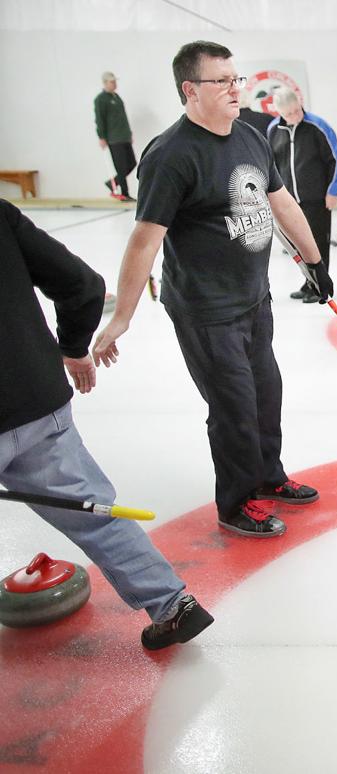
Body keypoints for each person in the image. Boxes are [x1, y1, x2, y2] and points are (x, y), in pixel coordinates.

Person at [92, 40, 332, 540]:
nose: (233, 88)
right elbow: (143, 243)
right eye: (220, 81)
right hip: (206, 310)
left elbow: (283, 203)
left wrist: (315, 261)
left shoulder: (248, 135)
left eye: (235, 78)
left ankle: (268, 476)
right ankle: (237, 502)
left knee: (267, 394)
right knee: (233, 410)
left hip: (253, 297)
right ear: (189, 89)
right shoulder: (171, 155)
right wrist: (122, 318)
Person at [0, 198, 212, 650]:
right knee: (92, 510)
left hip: (31, 401)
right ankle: (173, 604)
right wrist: (73, 347)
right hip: (37, 398)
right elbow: (83, 285)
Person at [267, 88, 337, 303]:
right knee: (298, 245)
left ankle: (320, 288)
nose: (294, 116)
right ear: (279, 112)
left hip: (317, 199)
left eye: (296, 111)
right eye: (289, 114)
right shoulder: (274, 130)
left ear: (300, 103)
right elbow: (270, 166)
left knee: (318, 245)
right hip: (289, 202)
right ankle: (307, 283)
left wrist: (332, 191)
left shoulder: (317, 126)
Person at [94, 71, 137, 202]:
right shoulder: (101, 99)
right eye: (112, 82)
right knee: (121, 167)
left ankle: (111, 183)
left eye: (115, 81)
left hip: (124, 136)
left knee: (132, 163)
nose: (114, 84)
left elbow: (123, 117)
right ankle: (124, 193)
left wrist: (128, 134)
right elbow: (100, 119)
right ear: (105, 83)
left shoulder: (117, 97)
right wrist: (101, 137)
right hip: (114, 138)